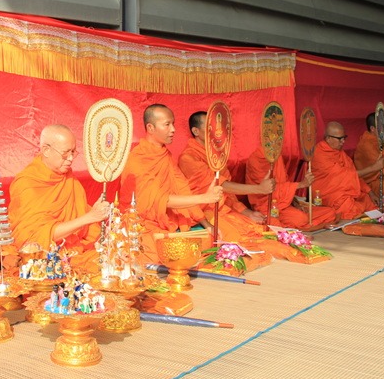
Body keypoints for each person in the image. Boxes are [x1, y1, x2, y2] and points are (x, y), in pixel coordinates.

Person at [119, 104, 223, 263]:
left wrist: (206, 224)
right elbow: (160, 199)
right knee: (153, 253)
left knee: (212, 237)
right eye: (167, 124)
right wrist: (204, 198)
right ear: (150, 127)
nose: (173, 129)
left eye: (173, 124)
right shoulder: (137, 160)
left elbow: (182, 189)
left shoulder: (165, 155)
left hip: (167, 220)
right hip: (142, 223)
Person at [9, 124, 109, 271]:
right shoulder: (27, 184)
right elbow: (35, 238)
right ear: (46, 150)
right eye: (65, 153)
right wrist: (89, 217)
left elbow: (86, 226)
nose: (70, 159)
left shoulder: (69, 180)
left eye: (73, 152)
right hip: (42, 257)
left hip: (73, 251)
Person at [177, 111, 273, 243]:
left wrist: (247, 212)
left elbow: (228, 194)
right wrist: (259, 189)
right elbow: (219, 185)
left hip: (224, 209)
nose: (216, 132)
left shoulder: (216, 156)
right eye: (209, 127)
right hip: (204, 212)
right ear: (196, 131)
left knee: (259, 231)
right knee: (238, 239)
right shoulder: (188, 158)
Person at [245, 138, 338, 232]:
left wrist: (294, 203)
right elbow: (268, 189)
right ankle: (303, 225)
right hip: (267, 207)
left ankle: (304, 223)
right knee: (300, 219)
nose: (278, 144)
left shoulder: (276, 156)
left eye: (279, 140)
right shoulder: (256, 160)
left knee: (329, 212)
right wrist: (301, 184)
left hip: (284, 204)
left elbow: (283, 184)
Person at [311, 122, 378, 219]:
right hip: (326, 193)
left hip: (343, 188)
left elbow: (353, 175)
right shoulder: (319, 153)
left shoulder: (340, 152)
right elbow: (344, 175)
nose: (343, 141)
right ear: (328, 138)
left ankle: (366, 215)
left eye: (344, 138)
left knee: (366, 199)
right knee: (347, 204)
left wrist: (370, 192)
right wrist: (373, 168)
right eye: (340, 139)